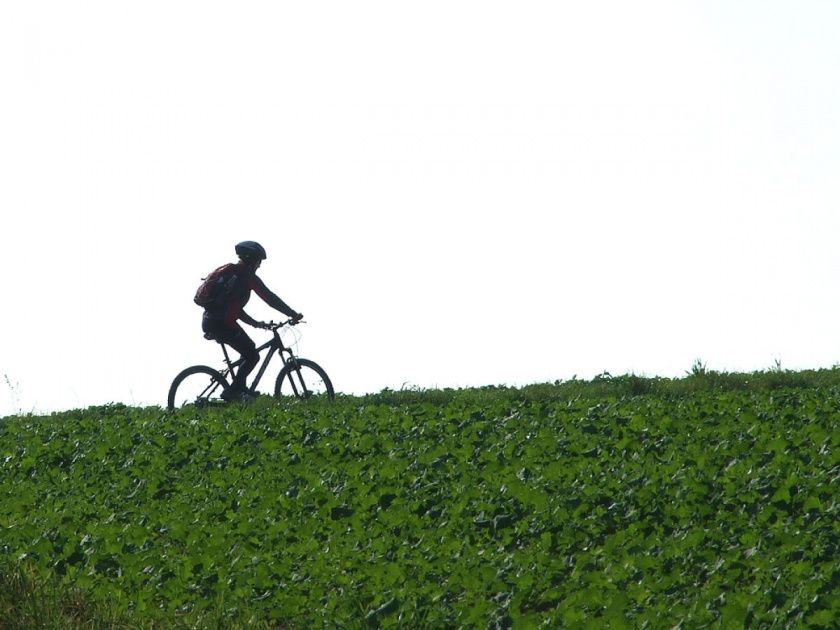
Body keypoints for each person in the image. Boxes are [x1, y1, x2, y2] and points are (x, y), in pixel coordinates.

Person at [201, 241, 303, 401]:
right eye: (258, 261)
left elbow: (234, 308)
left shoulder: (231, 274)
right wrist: (292, 314)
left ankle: (241, 389)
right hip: (221, 324)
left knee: (248, 349)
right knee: (252, 355)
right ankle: (233, 391)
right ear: (251, 260)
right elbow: (269, 298)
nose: (259, 266)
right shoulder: (246, 276)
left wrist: (256, 323)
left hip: (213, 321)